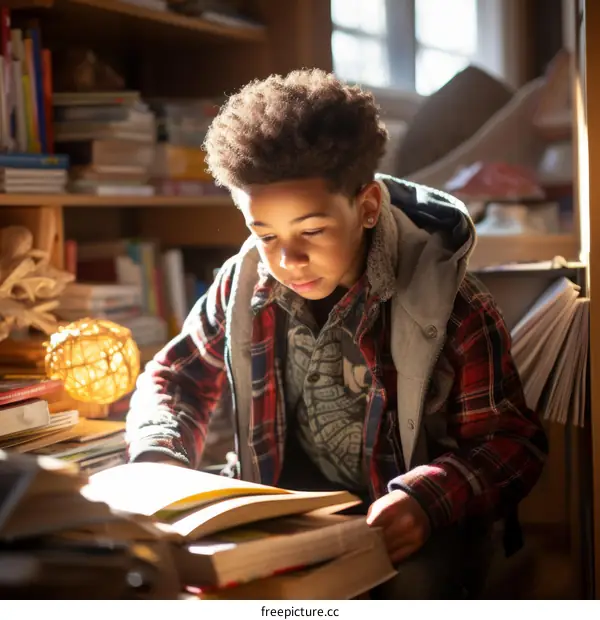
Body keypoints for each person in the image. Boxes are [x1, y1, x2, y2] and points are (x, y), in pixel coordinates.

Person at [125, 69, 548, 598]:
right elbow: (174, 377)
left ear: (367, 207)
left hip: (419, 526)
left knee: (413, 590)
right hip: (287, 515)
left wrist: (426, 499)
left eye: (312, 230)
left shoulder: (453, 305)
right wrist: (159, 457)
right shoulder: (244, 281)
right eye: (265, 234)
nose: (287, 259)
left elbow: (513, 444)